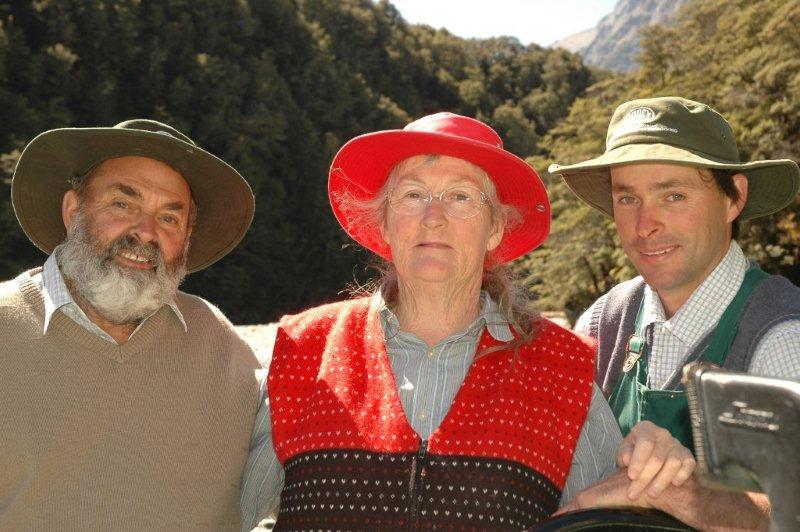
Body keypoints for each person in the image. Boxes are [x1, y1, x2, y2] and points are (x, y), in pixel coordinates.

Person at [240, 112, 694, 530]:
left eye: (460, 197)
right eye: (413, 195)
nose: (433, 218)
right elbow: (221, 515)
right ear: (384, 223)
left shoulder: (563, 371)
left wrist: (656, 467)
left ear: (494, 229)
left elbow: (608, 521)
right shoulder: (304, 350)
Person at [549, 96, 800, 529]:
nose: (645, 225)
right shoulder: (602, 323)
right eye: (628, 198)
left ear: (734, 198)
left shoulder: (782, 338)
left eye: (674, 195)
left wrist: (677, 491)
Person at [0, 120, 262, 529]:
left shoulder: (221, 344)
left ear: (187, 236)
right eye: (123, 205)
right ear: (72, 211)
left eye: (169, 218)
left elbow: (287, 485)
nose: (145, 233)